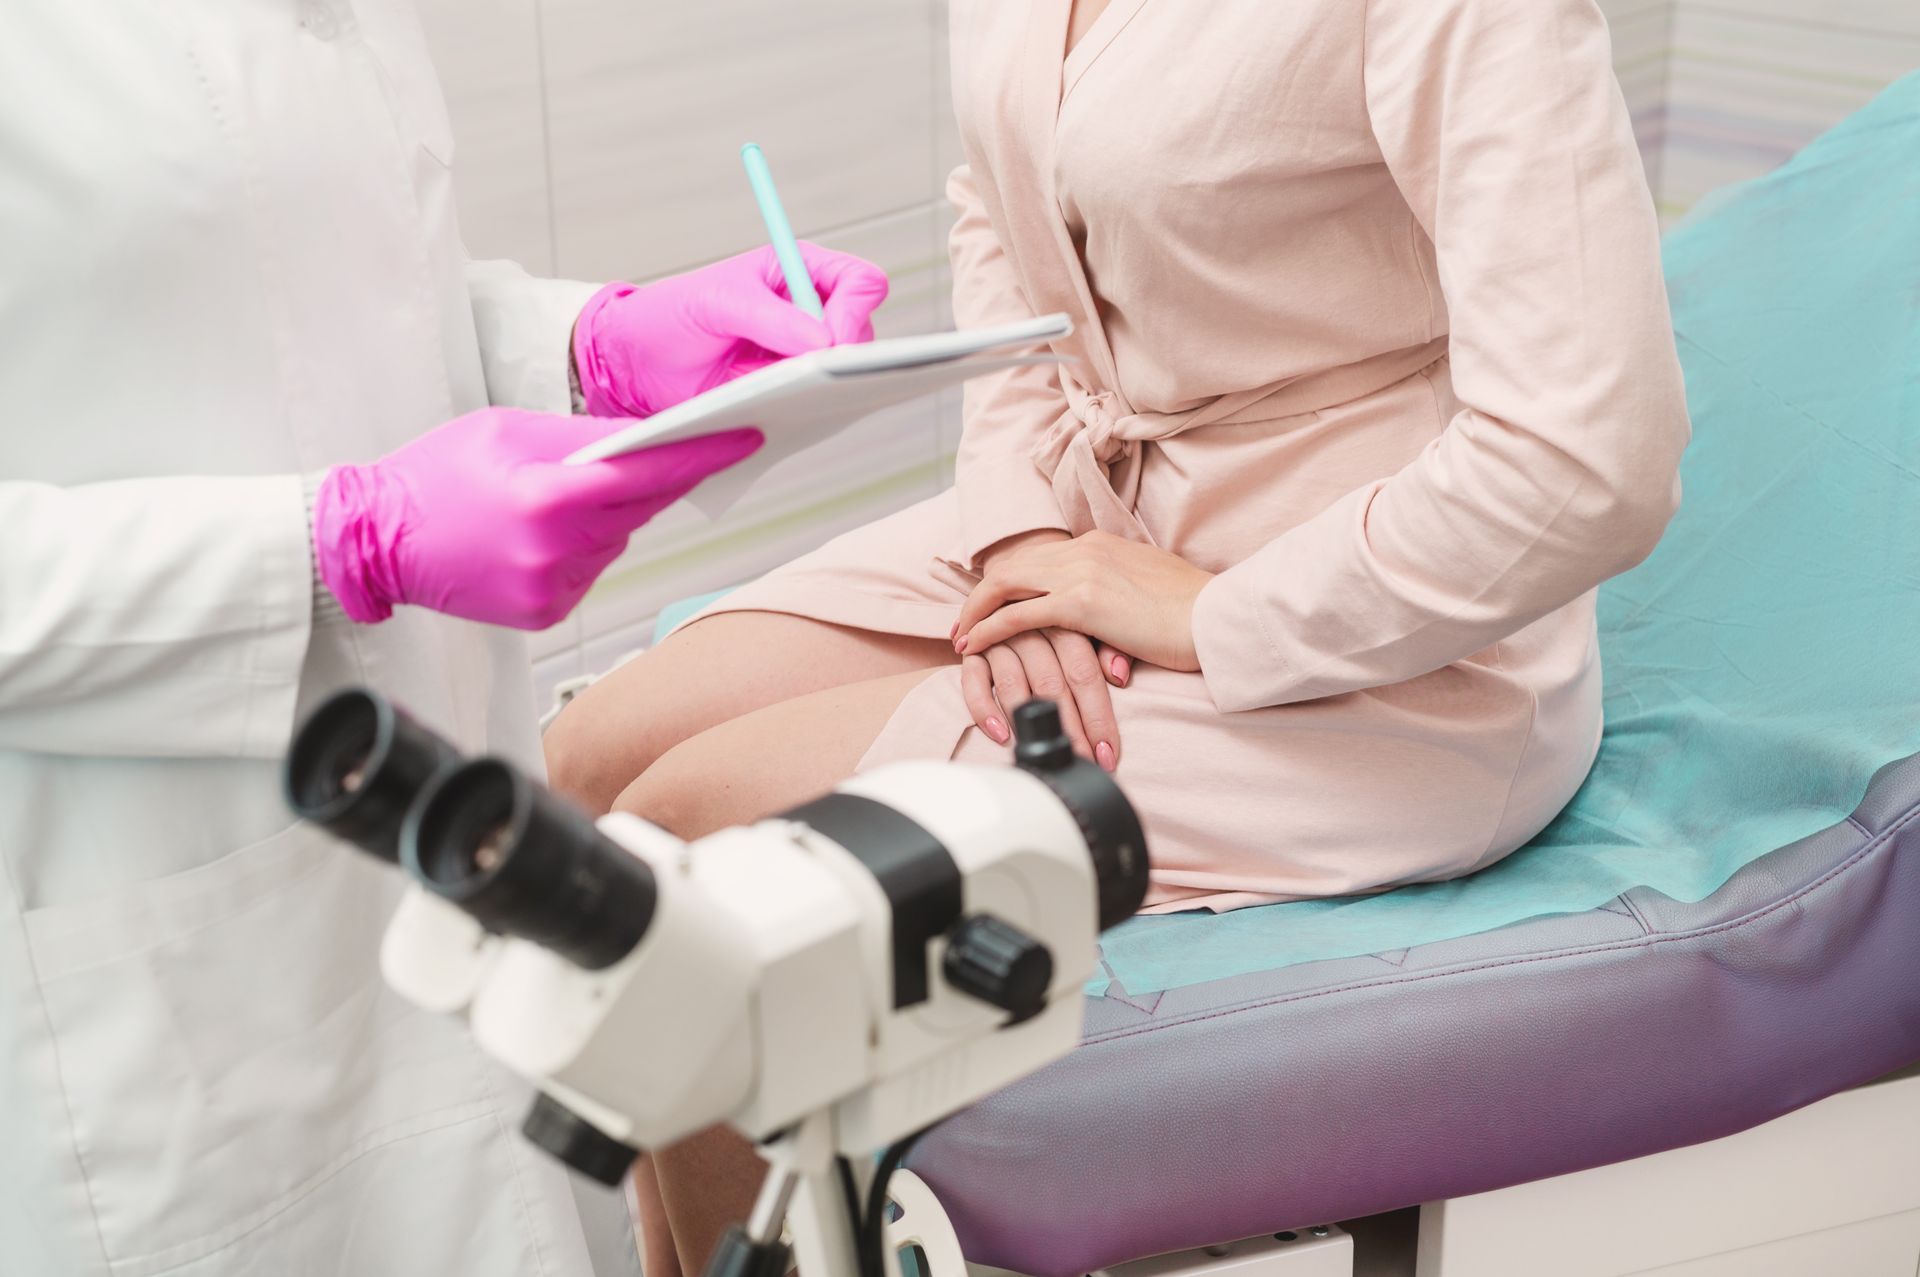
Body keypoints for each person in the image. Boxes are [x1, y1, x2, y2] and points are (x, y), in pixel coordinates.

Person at [541, 0, 1693, 1269]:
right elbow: (1000, 195)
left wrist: (1212, 611)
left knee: (716, 864)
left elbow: (1591, 461)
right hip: (1089, 501)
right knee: (597, 768)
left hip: (1396, 624)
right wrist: (1024, 531)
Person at [0, 4, 887, 1276]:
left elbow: (297, 287)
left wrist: (585, 352)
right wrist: (334, 543)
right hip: (139, 953)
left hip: (435, 842)